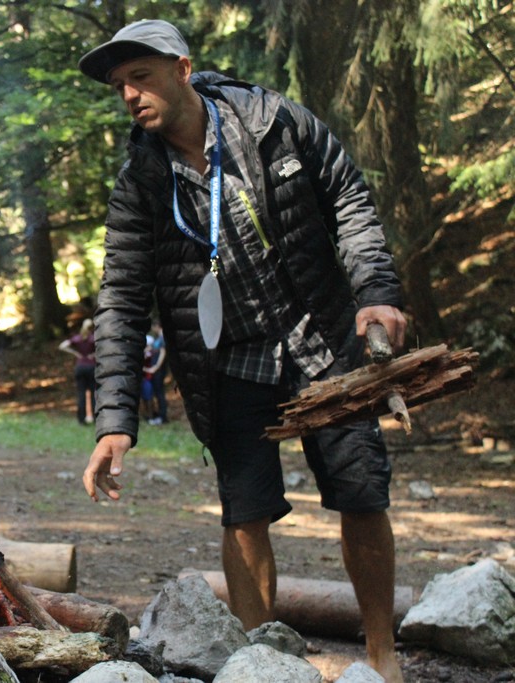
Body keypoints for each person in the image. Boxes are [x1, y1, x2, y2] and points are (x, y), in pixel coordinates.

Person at [77, 20, 407, 682]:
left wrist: (375, 289)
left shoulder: (275, 121)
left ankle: (381, 654)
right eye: (119, 86)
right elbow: (120, 299)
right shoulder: (139, 180)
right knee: (245, 511)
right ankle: (261, 664)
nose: (130, 96)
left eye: (140, 77)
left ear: (183, 68)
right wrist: (115, 420)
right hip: (229, 361)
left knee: (362, 492)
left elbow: (349, 197)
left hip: (321, 337)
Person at [58, 318, 96, 425]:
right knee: (94, 393)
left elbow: (62, 346)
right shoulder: (93, 338)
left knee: (81, 394)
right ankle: (95, 417)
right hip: (91, 367)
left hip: (80, 367)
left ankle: (81, 419)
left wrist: (75, 353)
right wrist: (93, 355)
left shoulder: (77, 338)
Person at [144, 320, 169, 425]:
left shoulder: (162, 337)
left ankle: (163, 417)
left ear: (157, 326)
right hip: (155, 370)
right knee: (157, 392)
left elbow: (163, 352)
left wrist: (156, 367)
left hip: (159, 370)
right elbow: (153, 348)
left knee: (160, 393)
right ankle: (158, 415)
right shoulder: (157, 338)